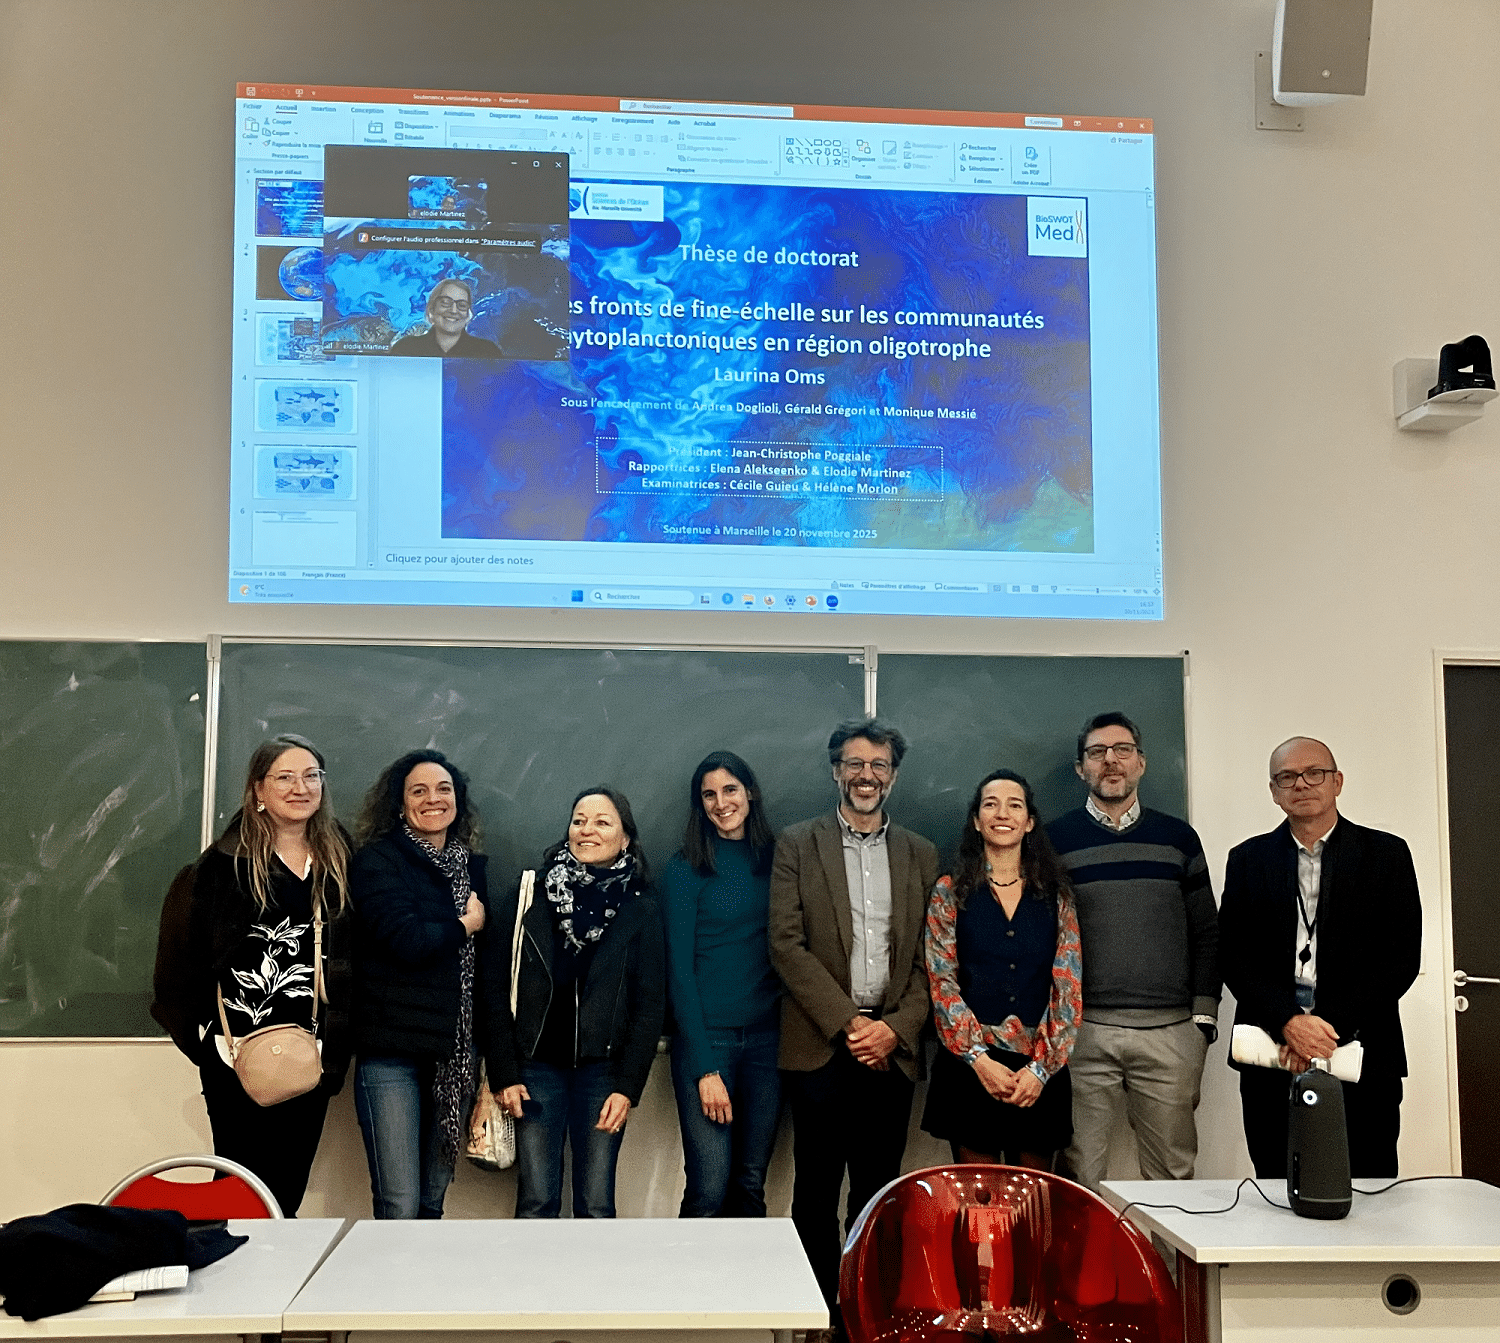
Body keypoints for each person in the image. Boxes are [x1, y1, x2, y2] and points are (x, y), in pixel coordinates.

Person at [769, 718, 939, 1321]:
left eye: (879, 765)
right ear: (836, 771)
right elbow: (786, 944)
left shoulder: (921, 853)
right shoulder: (797, 844)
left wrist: (893, 1028)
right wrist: (850, 1023)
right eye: (855, 764)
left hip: (891, 1049)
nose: (867, 776)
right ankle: (815, 1313)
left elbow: (931, 957)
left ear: (893, 775)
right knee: (815, 1191)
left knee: (877, 1190)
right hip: (821, 1045)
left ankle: (864, 1316)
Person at [151, 733, 351, 1216]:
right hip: (236, 1053)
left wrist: (338, 1042)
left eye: (311, 776)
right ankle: (228, 1264)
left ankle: (276, 1267)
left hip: (312, 1053)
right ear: (258, 789)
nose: (300, 787)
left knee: (287, 1191)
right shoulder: (220, 867)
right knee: (239, 1189)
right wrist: (209, 1043)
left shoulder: (340, 859)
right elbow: (177, 966)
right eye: (285, 777)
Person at [1220, 736, 1422, 1178]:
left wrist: (1323, 1029)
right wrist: (1288, 1023)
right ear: (1274, 791)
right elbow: (1234, 956)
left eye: (1315, 773)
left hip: (1361, 1046)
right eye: (1287, 777)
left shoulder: (1386, 854)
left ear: (1337, 782)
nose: (1301, 784)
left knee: (1369, 1183)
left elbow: (1401, 958)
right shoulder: (1248, 859)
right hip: (1272, 1049)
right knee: (1276, 1182)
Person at [1046, 711, 1221, 1191]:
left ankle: (1165, 1251)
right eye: (1097, 752)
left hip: (1170, 1033)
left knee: (1173, 1179)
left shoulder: (1178, 839)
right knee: (1079, 1179)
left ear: (1140, 762)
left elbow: (1207, 932)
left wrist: (1202, 1022)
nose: (1110, 761)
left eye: (1122, 750)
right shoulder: (1053, 842)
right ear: (1081, 768)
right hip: (1083, 1033)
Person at [492, 787, 665, 1218]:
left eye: (602, 822)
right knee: (536, 1201)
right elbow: (493, 985)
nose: (587, 830)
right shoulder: (531, 895)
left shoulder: (641, 907)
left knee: (596, 1203)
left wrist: (627, 1088)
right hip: (535, 1068)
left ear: (625, 838)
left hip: (603, 1073)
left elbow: (649, 1004)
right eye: (579, 820)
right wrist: (504, 1073)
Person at [349, 749, 501, 1219]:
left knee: (432, 1202)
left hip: (453, 1055)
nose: (433, 799)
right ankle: (390, 1274)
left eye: (443, 789)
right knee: (399, 1203)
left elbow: (485, 972)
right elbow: (407, 940)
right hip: (392, 1053)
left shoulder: (470, 868)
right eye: (419, 791)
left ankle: (422, 1275)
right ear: (400, 804)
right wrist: (466, 924)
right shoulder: (377, 861)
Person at [923, 769, 1082, 1169]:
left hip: (1039, 1070)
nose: (1002, 814)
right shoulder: (949, 891)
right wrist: (979, 1059)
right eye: (990, 805)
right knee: (980, 1200)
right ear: (977, 821)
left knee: (1031, 1200)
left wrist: (1041, 1070)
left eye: (1014, 805)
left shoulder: (1056, 895)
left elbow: (1067, 987)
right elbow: (942, 982)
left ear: (1029, 822)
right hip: (971, 1068)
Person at [663, 751, 783, 1217]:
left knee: (750, 1183)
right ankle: (690, 1271)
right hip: (708, 1041)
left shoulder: (779, 860)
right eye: (708, 795)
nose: (721, 803)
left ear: (750, 793)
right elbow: (679, 973)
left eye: (730, 789)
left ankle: (747, 1271)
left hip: (768, 1043)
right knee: (709, 1187)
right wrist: (705, 1069)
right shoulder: (686, 868)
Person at [390, 277, 501, 358]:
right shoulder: (405, 349)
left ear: (468, 314)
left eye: (462, 305)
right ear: (432, 308)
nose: (453, 310)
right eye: (445, 302)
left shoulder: (488, 352)